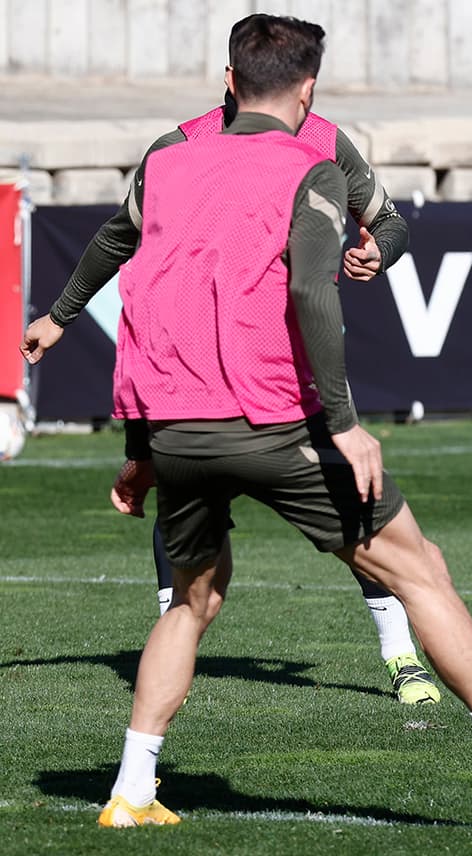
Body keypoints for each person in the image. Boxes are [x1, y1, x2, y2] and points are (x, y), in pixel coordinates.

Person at [91, 14, 472, 827]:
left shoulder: (172, 159)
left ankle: (129, 793)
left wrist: (140, 447)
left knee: (189, 603)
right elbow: (309, 291)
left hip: (177, 425)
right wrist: (344, 422)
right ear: (308, 90)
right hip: (273, 419)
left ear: (230, 81)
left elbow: (145, 296)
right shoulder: (312, 156)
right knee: (420, 570)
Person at [19, 17, 439, 707]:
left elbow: (388, 221)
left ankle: (401, 657)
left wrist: (378, 251)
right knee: (169, 485)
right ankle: (171, 644)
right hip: (185, 365)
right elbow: (115, 237)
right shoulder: (179, 146)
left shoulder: (327, 141)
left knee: (357, 500)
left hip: (285, 370)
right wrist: (61, 316)